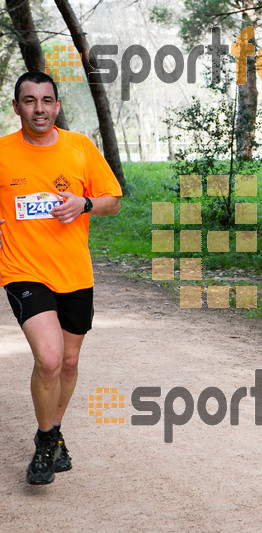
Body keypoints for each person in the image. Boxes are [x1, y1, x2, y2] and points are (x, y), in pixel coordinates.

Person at [0, 72, 122, 484]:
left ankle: (53, 434)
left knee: (69, 364)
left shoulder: (80, 147)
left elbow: (113, 201)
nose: (39, 109)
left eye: (47, 100)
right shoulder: (2, 153)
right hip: (22, 270)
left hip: (73, 272)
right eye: (29, 101)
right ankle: (46, 439)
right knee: (49, 359)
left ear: (56, 105)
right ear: (16, 107)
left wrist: (85, 203)